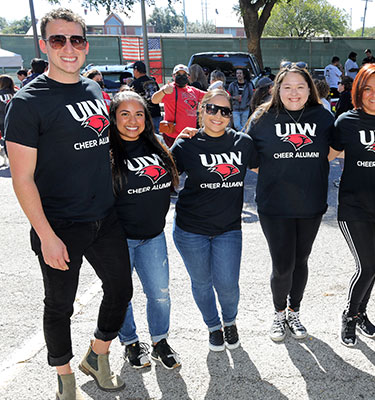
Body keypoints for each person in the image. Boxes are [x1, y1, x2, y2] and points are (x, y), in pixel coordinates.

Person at [4, 8, 132, 399]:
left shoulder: (93, 90)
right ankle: (65, 378)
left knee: (121, 289)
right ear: (44, 45)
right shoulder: (27, 103)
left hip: (104, 217)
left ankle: (97, 355)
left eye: (76, 39)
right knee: (60, 306)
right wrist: (46, 235)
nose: (68, 48)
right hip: (59, 225)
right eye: (58, 40)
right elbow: (22, 178)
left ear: (85, 45)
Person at [247, 61, 334, 342]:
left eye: (300, 87)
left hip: (311, 203)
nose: (293, 93)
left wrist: (309, 166)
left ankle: (294, 311)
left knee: (301, 260)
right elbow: (249, 158)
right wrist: (277, 170)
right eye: (287, 87)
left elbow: (333, 149)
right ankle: (278, 314)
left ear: (309, 89)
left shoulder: (322, 117)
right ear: (277, 90)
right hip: (275, 205)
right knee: (282, 264)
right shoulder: (262, 117)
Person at [171, 89, 256, 351]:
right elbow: (165, 176)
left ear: (231, 115)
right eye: (212, 109)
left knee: (228, 285)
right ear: (201, 110)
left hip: (228, 229)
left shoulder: (243, 143)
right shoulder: (187, 144)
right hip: (190, 229)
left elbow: (271, 167)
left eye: (225, 111)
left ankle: (229, 322)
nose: (218, 115)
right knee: (202, 283)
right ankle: (213, 326)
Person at [329, 63, 375, 347]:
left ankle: (361, 313)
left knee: (373, 266)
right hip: (354, 207)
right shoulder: (346, 122)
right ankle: (349, 315)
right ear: (358, 91)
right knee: (367, 265)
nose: (374, 94)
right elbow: (324, 155)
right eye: (368, 88)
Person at [107, 91, 181, 370]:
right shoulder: (106, 152)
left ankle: (160, 342)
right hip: (118, 240)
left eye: (139, 114)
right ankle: (130, 343)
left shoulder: (157, 144)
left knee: (160, 293)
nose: (132, 120)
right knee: (122, 296)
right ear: (113, 118)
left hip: (153, 237)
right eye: (124, 114)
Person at [151, 64, 205, 148]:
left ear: (188, 77)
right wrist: (164, 91)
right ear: (173, 76)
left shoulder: (193, 91)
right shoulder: (170, 88)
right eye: (178, 74)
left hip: (189, 135)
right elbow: (154, 100)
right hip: (172, 136)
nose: (181, 76)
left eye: (184, 74)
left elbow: (208, 96)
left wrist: (218, 90)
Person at [130, 61, 162, 134]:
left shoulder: (135, 84)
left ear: (136, 70)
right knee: (156, 136)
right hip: (156, 113)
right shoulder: (153, 81)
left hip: (144, 115)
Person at [0, 75, 15, 166]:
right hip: (16, 119)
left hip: (2, 120)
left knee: (5, 140)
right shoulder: (17, 92)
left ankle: (8, 160)